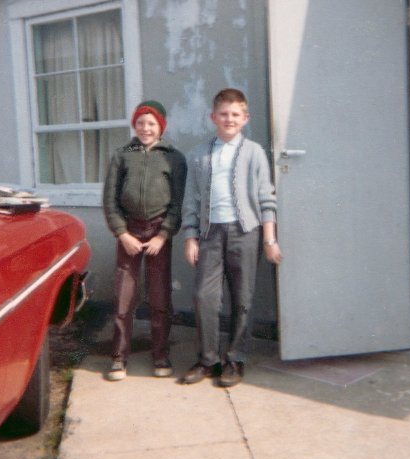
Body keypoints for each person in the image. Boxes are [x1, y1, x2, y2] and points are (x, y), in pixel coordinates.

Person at [181, 88, 282, 388]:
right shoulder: (199, 154)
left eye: (235, 114)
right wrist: (190, 237)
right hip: (210, 233)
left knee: (243, 298)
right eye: (223, 114)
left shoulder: (254, 152)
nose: (229, 119)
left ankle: (235, 359)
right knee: (204, 296)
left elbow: (266, 197)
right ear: (213, 117)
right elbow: (191, 199)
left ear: (245, 118)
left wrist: (269, 239)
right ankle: (208, 359)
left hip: (245, 232)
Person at [103, 100, 187, 381]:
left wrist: (163, 235)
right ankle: (118, 356)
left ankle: (160, 354)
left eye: (151, 123)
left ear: (161, 126)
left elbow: (177, 203)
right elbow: (110, 200)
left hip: (157, 235)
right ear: (134, 124)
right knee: (123, 296)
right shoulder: (121, 155)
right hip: (129, 232)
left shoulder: (174, 158)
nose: (146, 128)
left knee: (159, 295)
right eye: (141, 122)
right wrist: (122, 233)